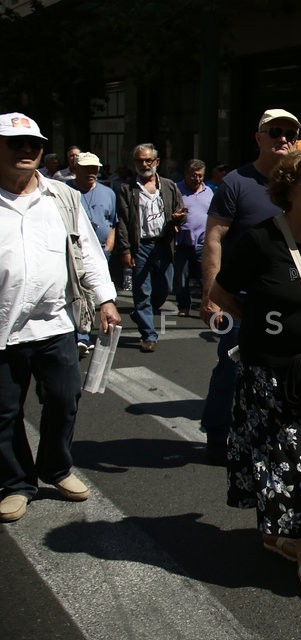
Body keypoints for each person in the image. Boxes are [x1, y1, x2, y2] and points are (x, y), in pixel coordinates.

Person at [209, 148, 301, 594]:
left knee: (283, 452)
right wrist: (258, 323)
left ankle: (277, 531)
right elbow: (222, 291)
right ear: (286, 190)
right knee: (295, 455)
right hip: (269, 373)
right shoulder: (260, 240)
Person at [0, 112, 121, 524]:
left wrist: (105, 299)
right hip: (3, 330)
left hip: (55, 324)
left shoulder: (61, 197)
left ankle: (55, 467)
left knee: (64, 398)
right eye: (16, 144)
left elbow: (86, 249)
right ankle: (17, 482)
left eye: (34, 144)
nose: (27, 151)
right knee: (4, 412)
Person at [200, 108, 300, 464]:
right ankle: (216, 436)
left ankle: (266, 435)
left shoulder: (297, 184)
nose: (284, 138)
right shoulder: (236, 183)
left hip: (286, 301)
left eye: (290, 132)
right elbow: (214, 238)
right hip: (240, 300)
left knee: (281, 372)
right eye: (276, 132)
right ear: (259, 137)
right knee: (231, 367)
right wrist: (211, 295)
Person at [116, 143, 186, 353]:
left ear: (157, 162)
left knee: (166, 286)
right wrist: (126, 250)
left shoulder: (169, 186)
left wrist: (179, 219)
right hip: (141, 246)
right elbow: (123, 221)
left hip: (163, 244)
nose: (144, 164)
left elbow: (180, 211)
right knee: (142, 290)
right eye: (139, 160)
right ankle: (148, 335)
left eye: (148, 160)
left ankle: (141, 312)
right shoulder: (127, 189)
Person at [68, 152, 117, 356]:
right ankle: (82, 335)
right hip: (75, 253)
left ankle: (84, 331)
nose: (92, 172)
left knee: (95, 294)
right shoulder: (66, 191)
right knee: (80, 295)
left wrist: (110, 243)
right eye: (87, 168)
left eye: (95, 168)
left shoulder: (109, 193)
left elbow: (114, 221)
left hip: (103, 252)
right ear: (75, 169)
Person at [173, 159, 213, 317]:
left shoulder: (209, 192)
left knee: (205, 278)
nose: (197, 179)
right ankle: (184, 306)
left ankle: (207, 305)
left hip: (203, 243)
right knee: (181, 279)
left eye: (200, 176)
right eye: (193, 176)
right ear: (186, 174)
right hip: (182, 242)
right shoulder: (176, 189)